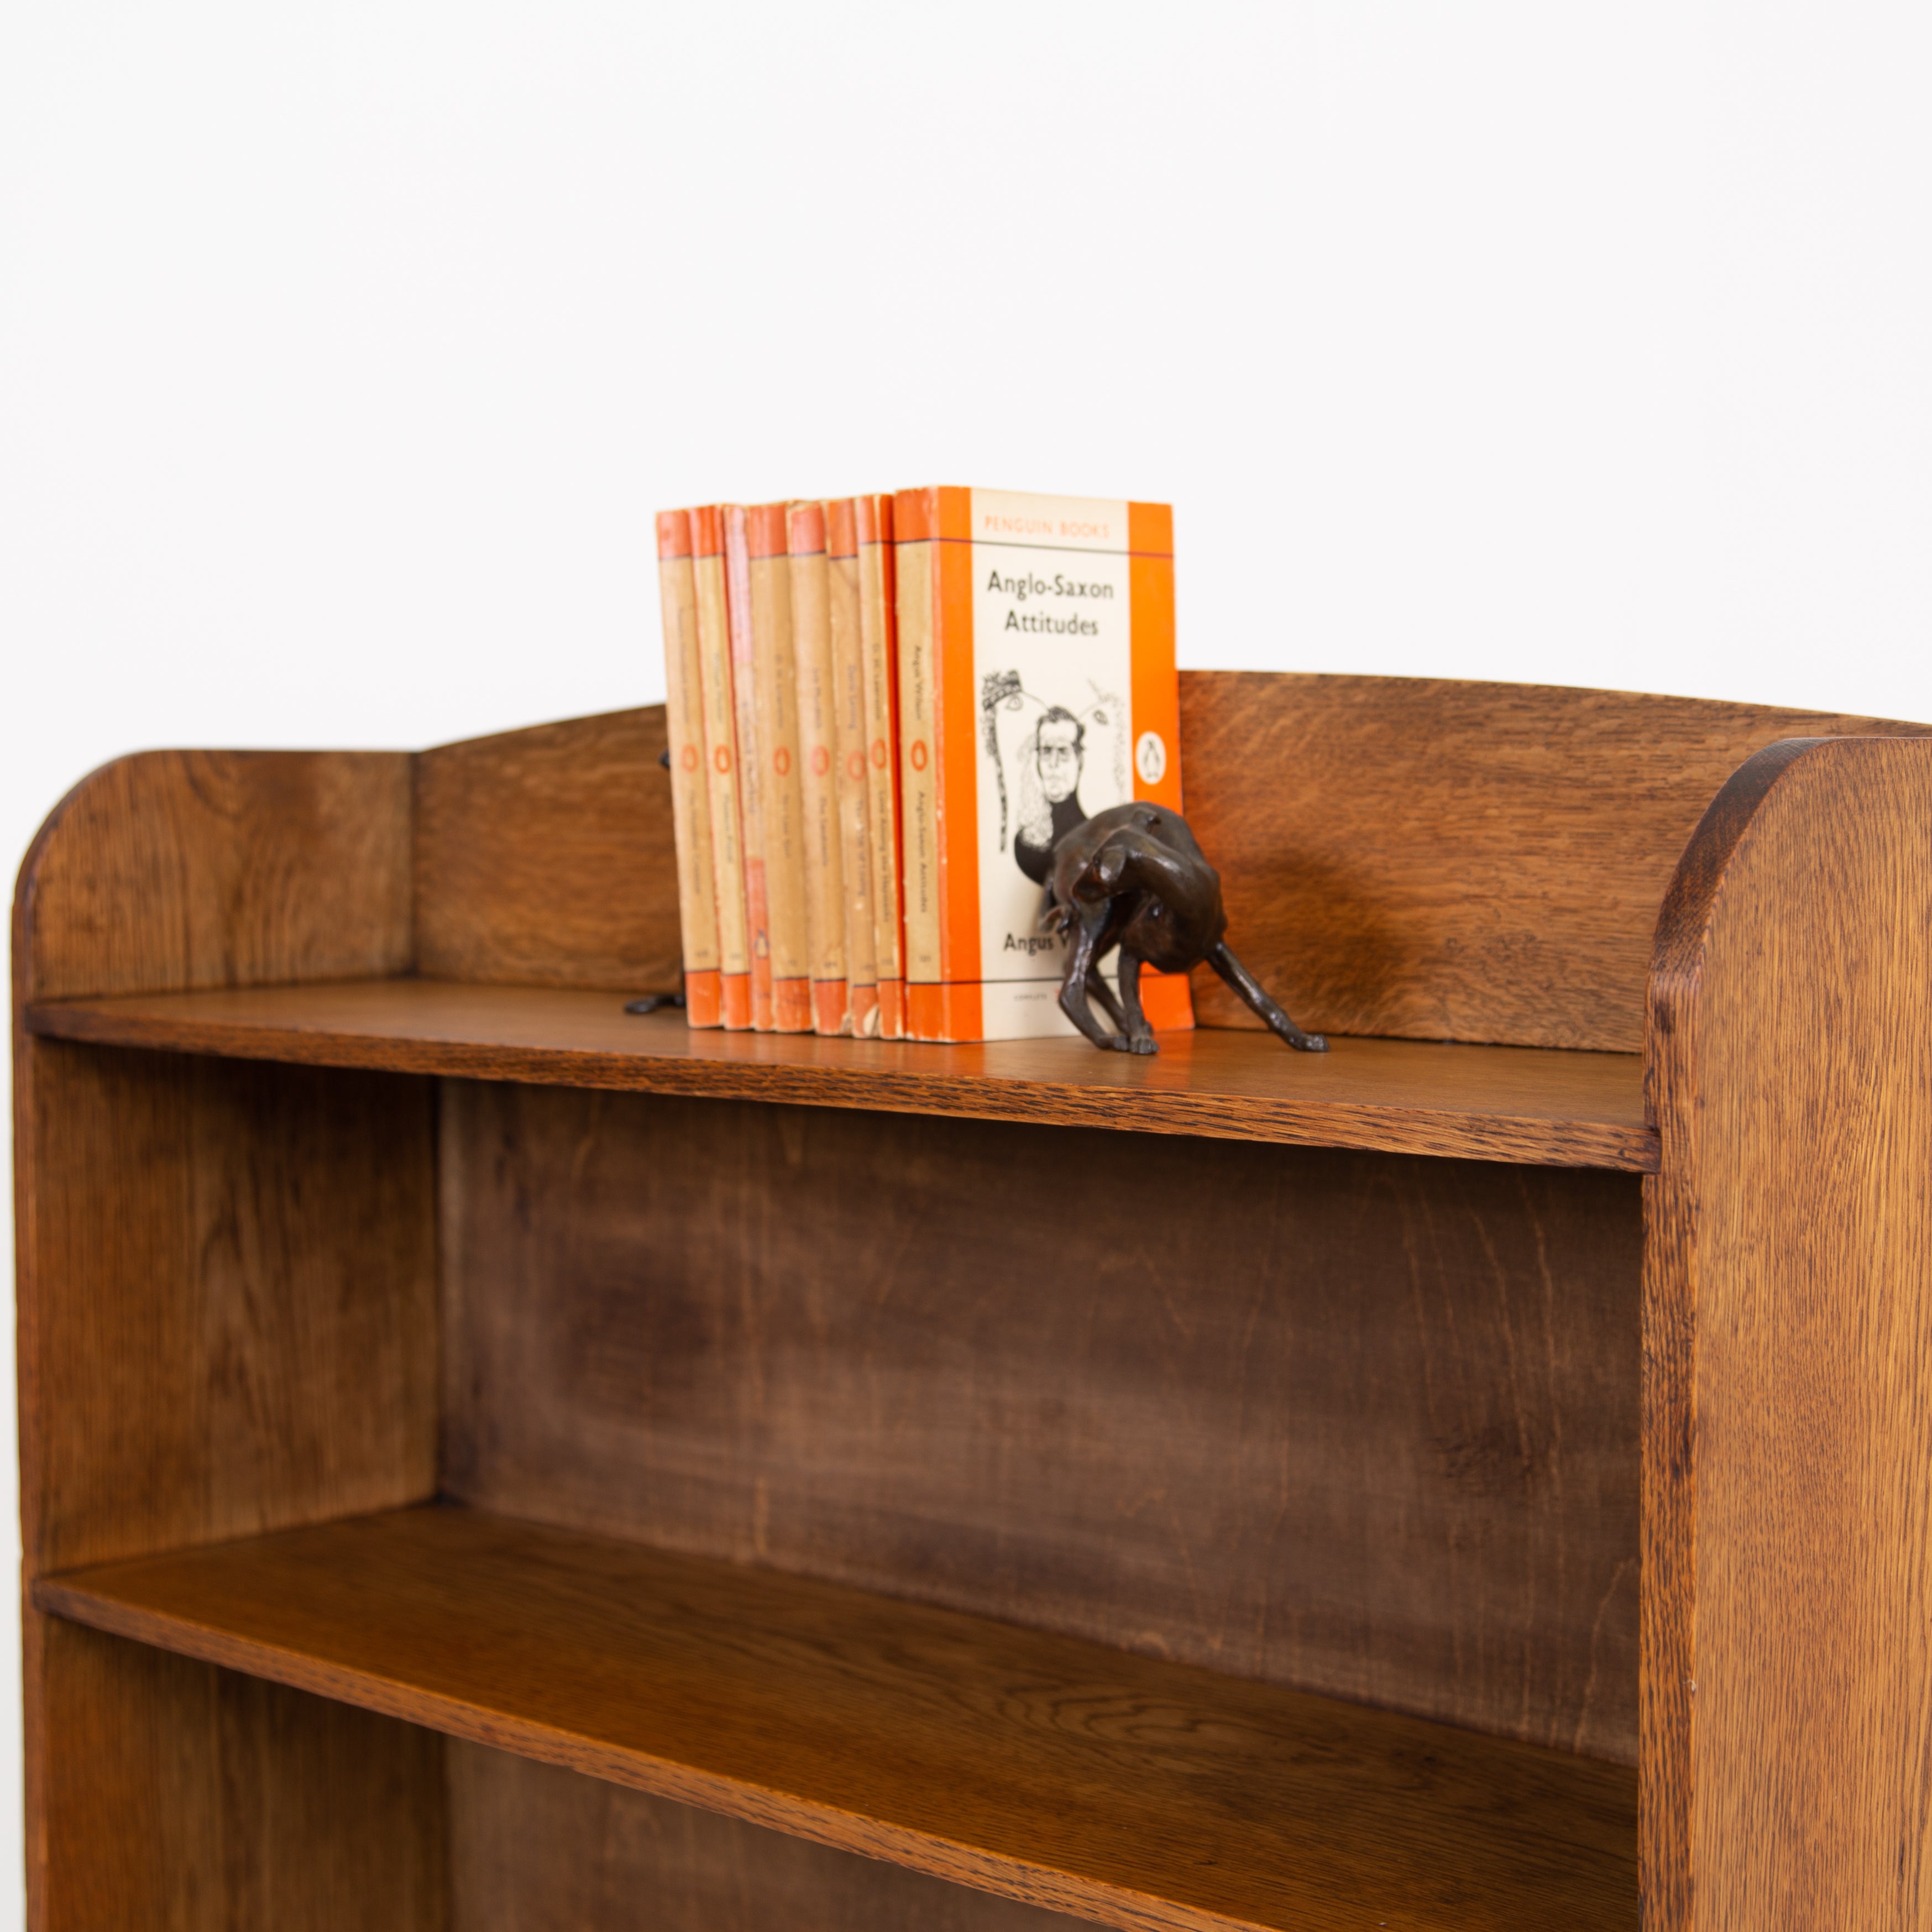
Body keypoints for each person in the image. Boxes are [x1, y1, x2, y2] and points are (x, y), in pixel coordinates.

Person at [1014, 706, 1087, 884]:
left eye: (1063, 751)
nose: (1053, 764)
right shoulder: (1025, 844)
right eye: (1046, 751)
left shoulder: (1092, 840)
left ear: (1079, 760)